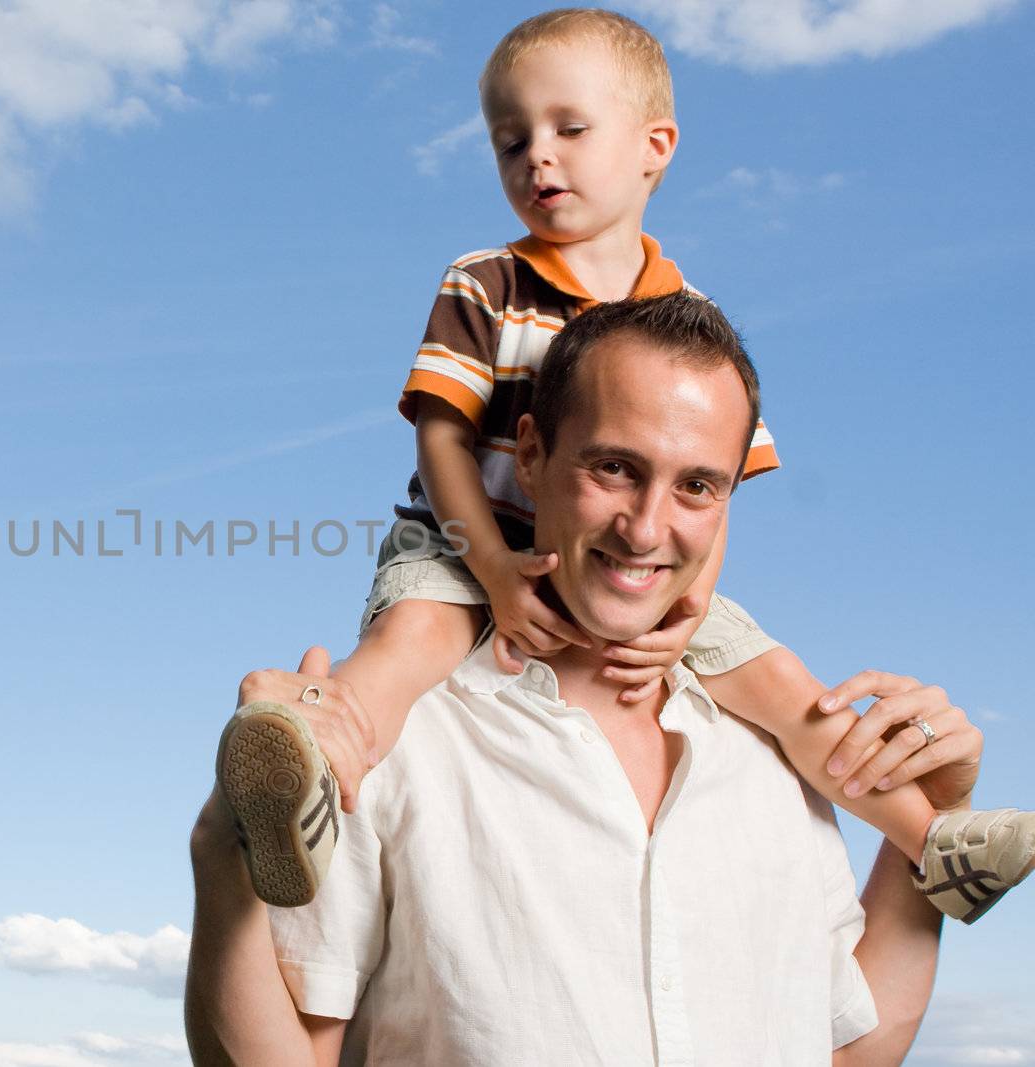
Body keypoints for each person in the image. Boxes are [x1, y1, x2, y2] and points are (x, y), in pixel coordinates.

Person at [212, 6, 1035, 923]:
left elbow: (713, 490)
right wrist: (488, 564)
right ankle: (314, 771)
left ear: (655, 145)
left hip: (632, 564)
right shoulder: (485, 282)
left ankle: (937, 843)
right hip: (467, 544)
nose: (537, 157)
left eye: (569, 128)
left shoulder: (689, 313)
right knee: (406, 647)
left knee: (782, 684)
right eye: (510, 140)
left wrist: (686, 610)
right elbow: (442, 437)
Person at [186, 294, 1013, 1065]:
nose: (647, 527)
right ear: (535, 457)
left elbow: (851, 1047)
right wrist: (224, 851)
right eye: (615, 467)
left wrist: (935, 815)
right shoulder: (387, 743)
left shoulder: (774, 757)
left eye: (696, 485)